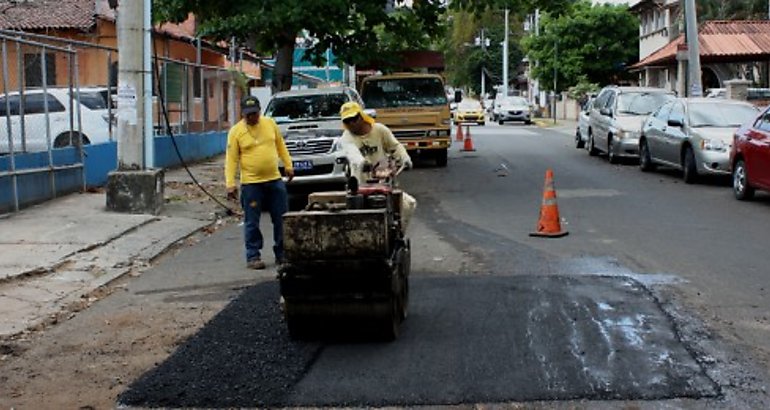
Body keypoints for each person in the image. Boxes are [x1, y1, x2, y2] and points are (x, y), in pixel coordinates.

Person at [225, 96, 294, 270]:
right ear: (242, 114)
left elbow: (281, 146)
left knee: (281, 219)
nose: (252, 117)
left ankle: (282, 254)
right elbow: (231, 159)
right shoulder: (236, 131)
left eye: (254, 114)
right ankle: (253, 256)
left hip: (274, 180)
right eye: (248, 115)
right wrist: (230, 183)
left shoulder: (270, 124)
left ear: (259, 111)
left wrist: (288, 165)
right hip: (251, 184)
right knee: (252, 222)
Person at [337, 101, 416, 231]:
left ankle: (398, 234)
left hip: (383, 183)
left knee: (408, 205)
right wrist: (363, 164)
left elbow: (395, 146)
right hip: (359, 188)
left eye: (354, 118)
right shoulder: (346, 138)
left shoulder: (379, 130)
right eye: (347, 120)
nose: (352, 123)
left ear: (361, 116)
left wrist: (404, 158)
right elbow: (352, 154)